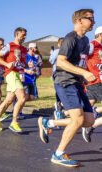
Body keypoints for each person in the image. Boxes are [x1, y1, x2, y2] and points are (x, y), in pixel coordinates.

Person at [38, 9, 96, 167]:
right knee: (77, 118)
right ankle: (58, 154)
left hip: (76, 82)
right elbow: (61, 62)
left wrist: (82, 76)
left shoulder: (85, 40)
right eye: (91, 19)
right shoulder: (71, 38)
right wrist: (83, 72)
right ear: (80, 21)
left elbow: (78, 62)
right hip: (65, 81)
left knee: (89, 120)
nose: (94, 21)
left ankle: (49, 123)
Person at [0, 27, 33, 132]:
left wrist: (27, 65)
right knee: (22, 98)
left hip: (19, 75)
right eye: (23, 35)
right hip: (11, 74)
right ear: (17, 34)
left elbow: (21, 63)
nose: (25, 37)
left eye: (26, 35)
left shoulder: (24, 49)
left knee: (8, 100)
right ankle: (14, 122)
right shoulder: (9, 46)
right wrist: (7, 64)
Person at [82, 26, 102, 143]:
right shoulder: (92, 45)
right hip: (95, 81)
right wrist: (84, 74)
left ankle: (58, 116)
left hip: (96, 82)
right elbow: (82, 58)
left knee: (85, 110)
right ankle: (92, 125)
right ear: (100, 34)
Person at [49, 38, 66, 124]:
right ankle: (59, 106)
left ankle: (60, 106)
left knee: (62, 90)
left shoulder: (56, 51)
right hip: (58, 73)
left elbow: (51, 60)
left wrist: (51, 54)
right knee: (60, 90)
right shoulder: (57, 51)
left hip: (63, 73)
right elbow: (52, 61)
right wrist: (52, 54)